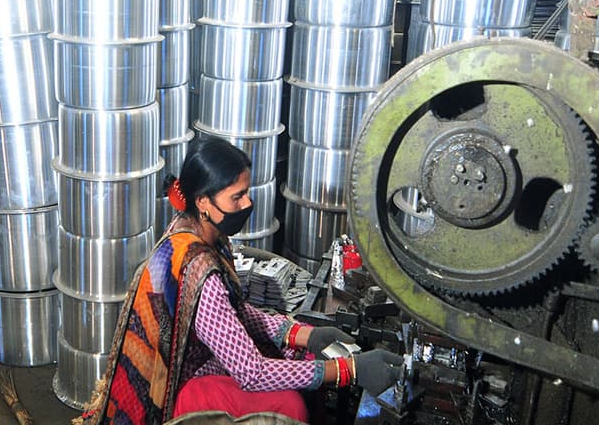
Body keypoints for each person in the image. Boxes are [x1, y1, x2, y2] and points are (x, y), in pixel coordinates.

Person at [78, 136, 403, 425]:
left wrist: (304, 335)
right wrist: (350, 370)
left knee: (295, 356)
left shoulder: (197, 231)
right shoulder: (198, 268)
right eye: (237, 196)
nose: (247, 203)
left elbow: (233, 311)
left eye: (247, 192)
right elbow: (252, 373)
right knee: (289, 404)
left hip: (195, 362)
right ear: (203, 201)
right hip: (180, 389)